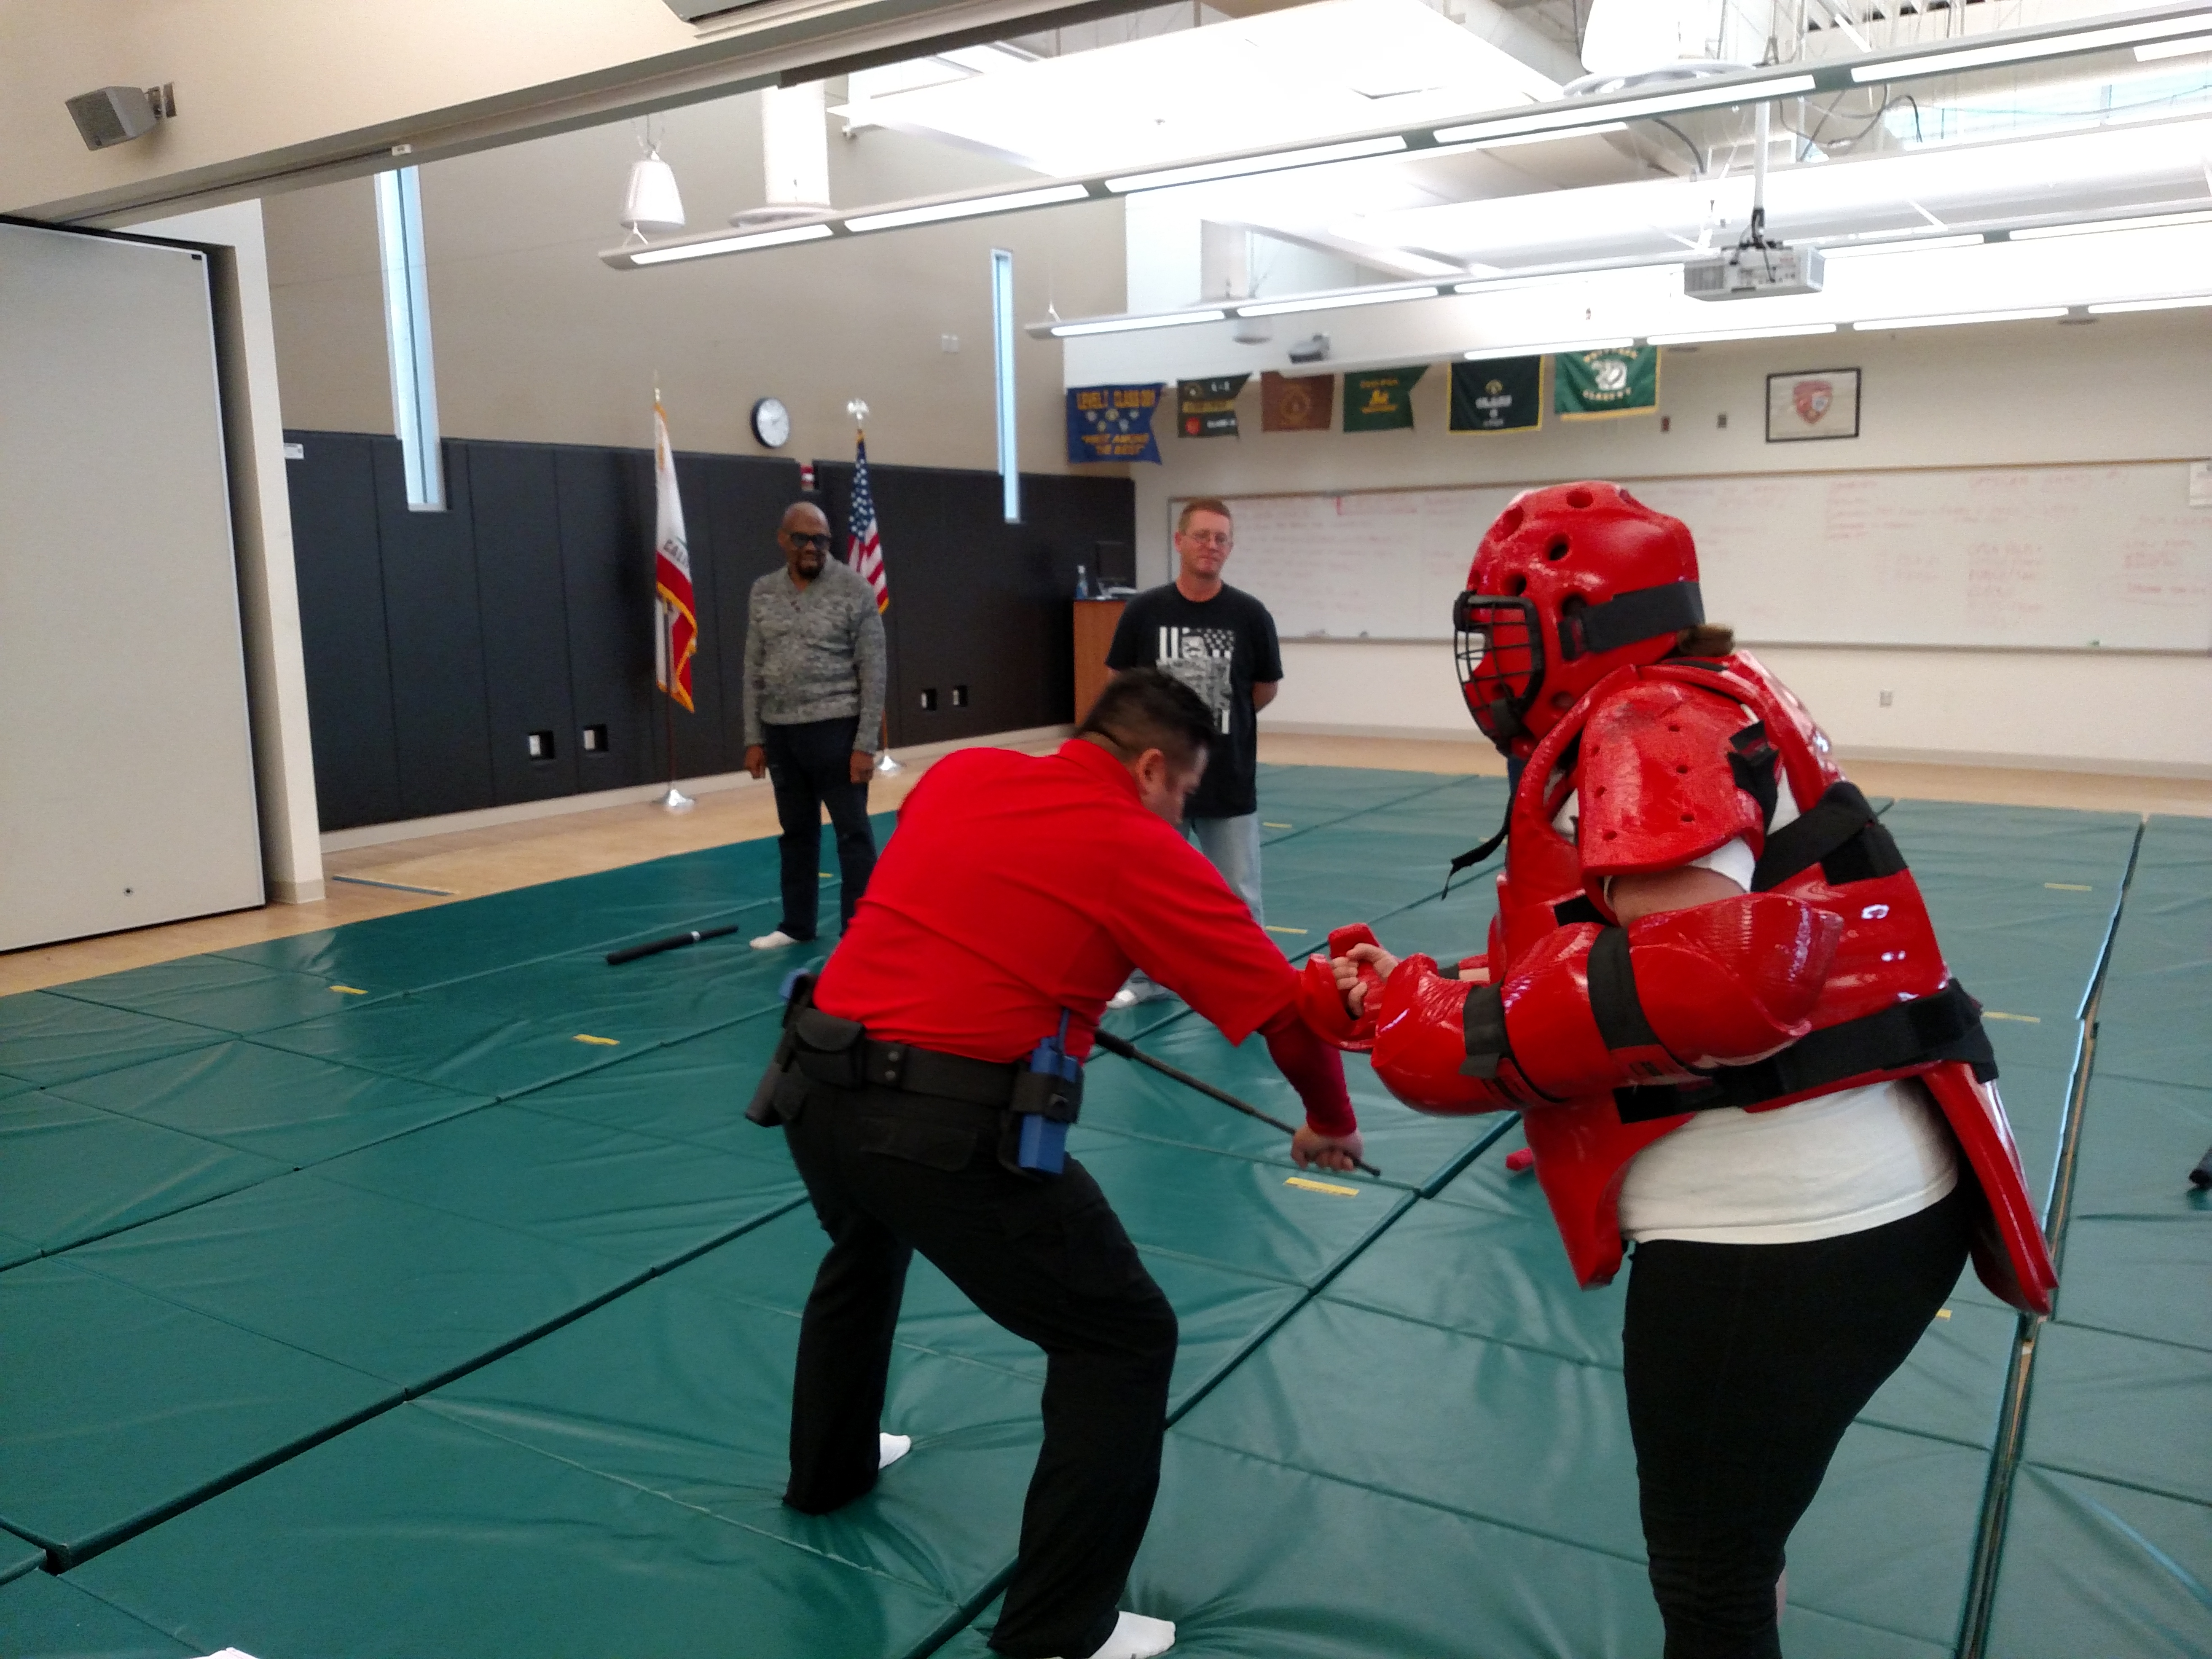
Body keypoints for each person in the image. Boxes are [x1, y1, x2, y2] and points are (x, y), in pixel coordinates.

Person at [1300, 481, 2054, 1659]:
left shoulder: (1650, 717)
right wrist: (1425, 984)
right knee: (1737, 1549)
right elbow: (1619, 957)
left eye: (1503, 630)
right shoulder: (1715, 691)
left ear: (1579, 622)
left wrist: (1450, 1031)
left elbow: (1712, 982)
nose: (1484, 663)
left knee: (1707, 1578)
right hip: (1850, 1199)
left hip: (1782, 1234)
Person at [748, 668, 1364, 1659]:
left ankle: (828, 1472)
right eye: (1182, 795)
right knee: (1121, 1340)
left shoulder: (958, 775)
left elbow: (973, 911)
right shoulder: (1133, 844)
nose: (1180, 815)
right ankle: (1058, 1632)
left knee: (864, 1246)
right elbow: (1290, 1019)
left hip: (808, 1086)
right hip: (939, 1129)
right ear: (1152, 766)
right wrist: (1329, 1122)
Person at [1104, 498, 1282, 1007]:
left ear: (1230, 548)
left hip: (1226, 776)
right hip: (1158, 781)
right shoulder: (1144, 612)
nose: (1212, 546)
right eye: (1202, 536)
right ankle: (1145, 980)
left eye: (1221, 538)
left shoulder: (1249, 615)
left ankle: (1253, 984)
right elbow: (1121, 683)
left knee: (1239, 892)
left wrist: (1216, 728)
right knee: (1150, 888)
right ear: (1179, 541)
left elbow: (1263, 689)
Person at [743, 499, 887, 951]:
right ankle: (796, 925)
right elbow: (753, 668)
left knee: (853, 834)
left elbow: (874, 671)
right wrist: (754, 737)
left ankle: (858, 932)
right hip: (781, 734)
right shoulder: (763, 591)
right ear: (783, 540)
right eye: (802, 538)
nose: (812, 547)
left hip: (839, 734)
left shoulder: (855, 590)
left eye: (821, 539)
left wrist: (866, 744)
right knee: (796, 834)